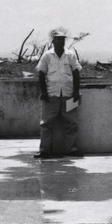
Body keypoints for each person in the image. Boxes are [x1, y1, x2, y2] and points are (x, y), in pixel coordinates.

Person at [35, 27, 82, 158]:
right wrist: (44, 92)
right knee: (47, 123)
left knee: (71, 123)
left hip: (68, 94)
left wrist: (76, 92)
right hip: (51, 95)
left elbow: (76, 74)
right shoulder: (47, 56)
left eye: (63, 39)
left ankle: (71, 149)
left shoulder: (70, 55)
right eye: (58, 39)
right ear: (53, 41)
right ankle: (44, 150)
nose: (61, 42)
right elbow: (41, 74)